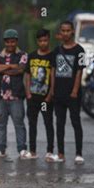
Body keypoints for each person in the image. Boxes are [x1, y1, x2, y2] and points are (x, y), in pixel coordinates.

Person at [0, 29, 28, 159]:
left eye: (13, 41)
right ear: (5, 42)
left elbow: (21, 69)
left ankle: (22, 149)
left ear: (16, 41)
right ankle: (0, 148)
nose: (10, 44)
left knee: (19, 123)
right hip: (0, 96)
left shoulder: (23, 54)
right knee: (0, 124)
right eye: (8, 42)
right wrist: (12, 66)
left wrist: (4, 69)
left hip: (16, 95)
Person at [52, 21, 85, 164]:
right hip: (59, 93)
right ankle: (60, 153)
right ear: (60, 32)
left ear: (72, 32)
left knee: (76, 122)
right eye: (63, 31)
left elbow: (79, 71)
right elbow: (53, 71)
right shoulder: (56, 50)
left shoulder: (80, 50)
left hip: (73, 94)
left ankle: (78, 153)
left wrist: (75, 90)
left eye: (68, 31)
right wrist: (52, 90)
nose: (65, 33)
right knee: (59, 123)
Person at [25, 28, 57, 162]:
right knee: (32, 124)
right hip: (33, 96)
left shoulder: (52, 56)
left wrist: (50, 93)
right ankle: (32, 151)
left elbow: (53, 75)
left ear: (48, 40)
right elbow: (27, 74)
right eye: (40, 41)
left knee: (48, 123)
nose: (43, 43)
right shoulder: (31, 56)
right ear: (37, 41)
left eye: (45, 40)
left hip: (46, 98)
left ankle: (50, 151)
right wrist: (27, 92)